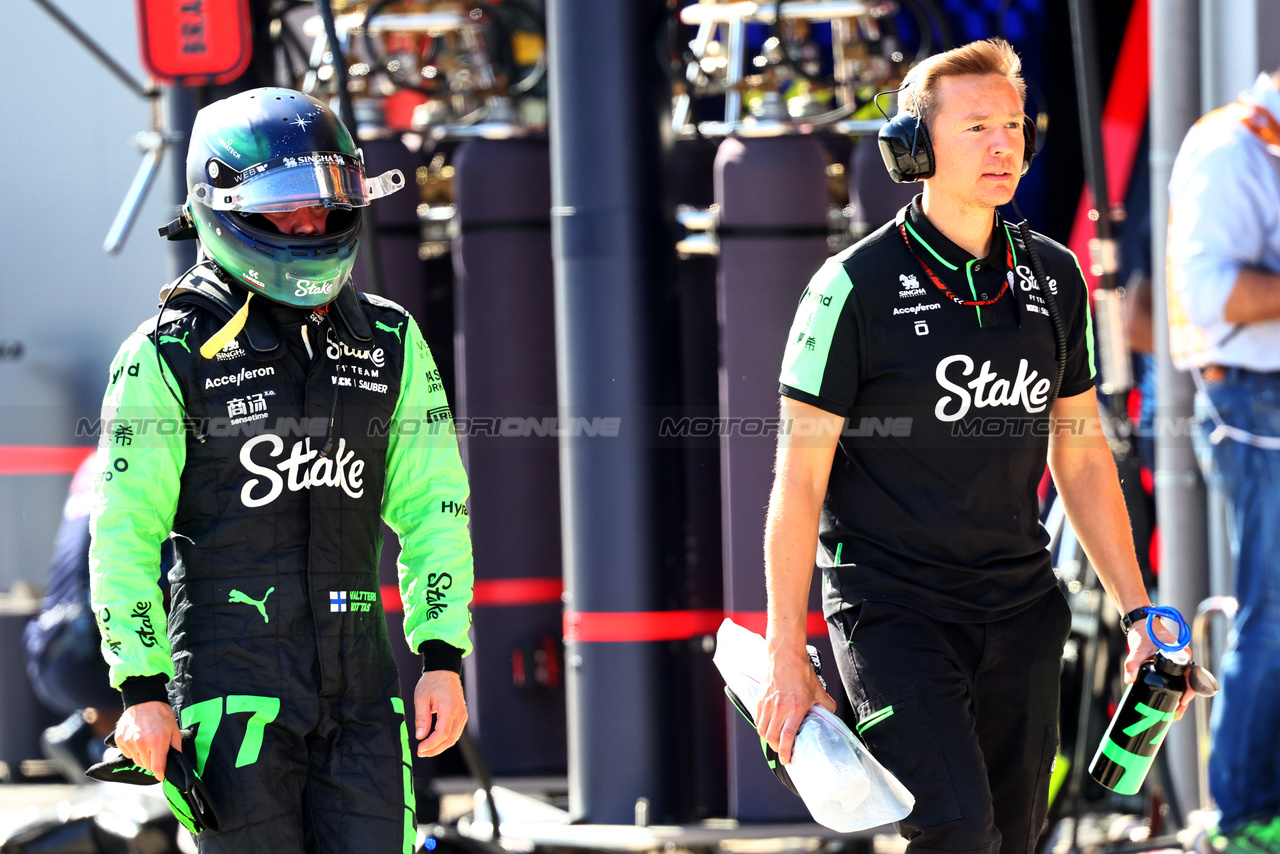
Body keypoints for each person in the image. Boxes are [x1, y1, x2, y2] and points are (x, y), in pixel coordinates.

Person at [755, 39, 1193, 854]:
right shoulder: (850, 286)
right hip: (893, 614)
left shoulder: (1057, 277)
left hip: (1022, 609)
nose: (1003, 146)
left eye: (1014, 126)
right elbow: (798, 478)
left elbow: (1083, 453)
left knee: (1014, 841)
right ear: (914, 149)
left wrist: (1140, 613)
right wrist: (789, 649)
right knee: (956, 833)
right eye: (977, 127)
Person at [89, 87, 473, 853]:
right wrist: (140, 690)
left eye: (327, 203)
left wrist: (441, 658)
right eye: (284, 207)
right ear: (218, 204)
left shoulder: (391, 339)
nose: (309, 225)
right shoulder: (165, 354)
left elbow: (437, 506)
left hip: (363, 698)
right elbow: (124, 533)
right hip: (226, 700)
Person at [1167, 68, 1280, 851]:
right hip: (1255, 406)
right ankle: (1243, 821)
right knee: (1273, 621)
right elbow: (1213, 297)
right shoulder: (1229, 147)